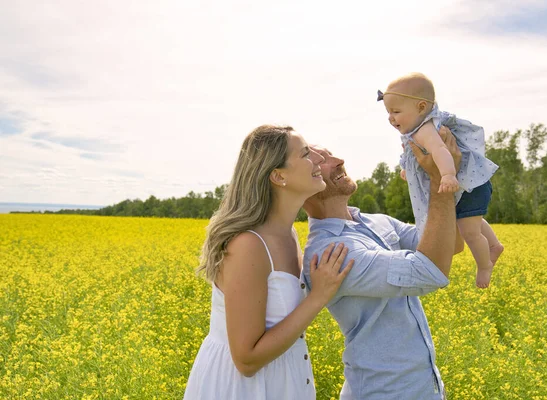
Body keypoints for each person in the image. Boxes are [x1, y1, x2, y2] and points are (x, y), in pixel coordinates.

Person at [184, 125, 354, 400]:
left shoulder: (288, 235)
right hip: (242, 389)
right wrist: (318, 296)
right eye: (306, 154)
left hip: (284, 381)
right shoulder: (248, 245)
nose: (319, 161)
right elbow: (246, 360)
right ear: (278, 176)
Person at [301, 127, 462, 399]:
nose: (339, 160)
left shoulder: (377, 221)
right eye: (321, 160)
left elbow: (452, 244)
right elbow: (430, 272)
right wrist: (439, 179)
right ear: (305, 182)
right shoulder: (329, 251)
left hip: (427, 389)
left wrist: (435, 174)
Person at [378, 72, 504, 288]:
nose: (391, 118)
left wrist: (447, 175)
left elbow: (440, 151)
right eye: (388, 112)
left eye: (396, 111)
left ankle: (484, 266)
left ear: (421, 107)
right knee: (468, 219)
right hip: (470, 185)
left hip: (465, 184)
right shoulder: (416, 131)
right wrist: (407, 169)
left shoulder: (426, 129)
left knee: (469, 232)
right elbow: (414, 155)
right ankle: (493, 245)